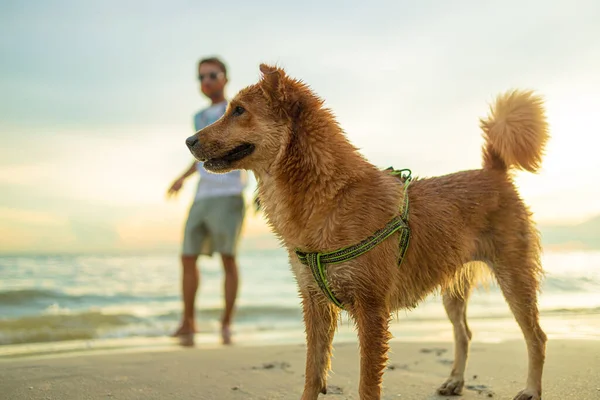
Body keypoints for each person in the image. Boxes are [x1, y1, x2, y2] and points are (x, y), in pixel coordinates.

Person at [167, 56, 248, 345]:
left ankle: (226, 323)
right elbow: (200, 156)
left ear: (225, 77)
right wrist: (182, 177)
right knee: (187, 256)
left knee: (228, 258)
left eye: (212, 75)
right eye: (201, 77)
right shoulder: (199, 118)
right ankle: (188, 321)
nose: (207, 81)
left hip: (229, 194)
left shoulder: (238, 111)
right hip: (203, 194)